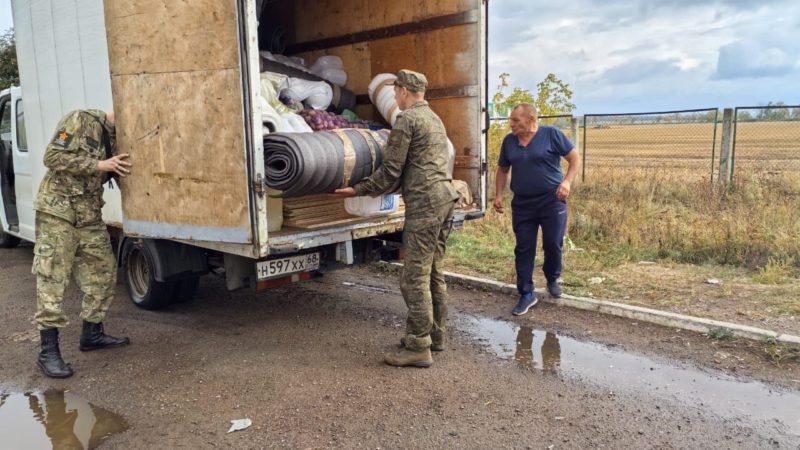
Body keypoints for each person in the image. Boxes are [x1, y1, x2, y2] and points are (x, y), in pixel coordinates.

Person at [335, 69, 459, 368]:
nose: (395, 98)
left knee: (414, 276)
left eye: (396, 92)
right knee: (432, 271)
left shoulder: (407, 119)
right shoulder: (433, 117)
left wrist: (357, 190)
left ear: (403, 91)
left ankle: (418, 346)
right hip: (445, 199)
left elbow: (391, 171)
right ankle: (435, 336)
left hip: (426, 203)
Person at [32, 109, 133, 378]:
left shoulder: (122, 137)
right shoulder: (80, 119)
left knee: (105, 272)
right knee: (53, 278)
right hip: (59, 212)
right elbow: (52, 157)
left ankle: (92, 334)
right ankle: (48, 352)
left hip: (89, 217)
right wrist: (100, 165)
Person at [493, 103, 581, 316]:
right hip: (522, 203)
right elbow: (503, 170)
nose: (511, 124)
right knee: (524, 247)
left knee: (553, 243)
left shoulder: (551, 134)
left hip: (552, 200)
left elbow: (574, 158)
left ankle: (552, 277)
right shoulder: (509, 142)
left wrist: (567, 182)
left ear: (531, 119)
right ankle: (526, 293)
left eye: (515, 120)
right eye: (510, 120)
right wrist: (498, 195)